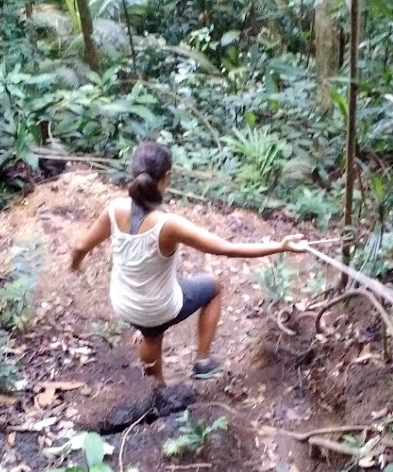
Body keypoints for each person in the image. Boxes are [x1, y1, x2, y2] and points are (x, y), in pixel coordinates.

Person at [69, 141, 306, 393]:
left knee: (150, 331)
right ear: (166, 178)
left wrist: (76, 265)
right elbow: (227, 249)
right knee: (213, 287)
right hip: (156, 308)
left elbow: (80, 246)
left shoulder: (115, 209)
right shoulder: (168, 225)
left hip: (123, 302)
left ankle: (156, 386)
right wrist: (281, 246)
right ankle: (201, 362)